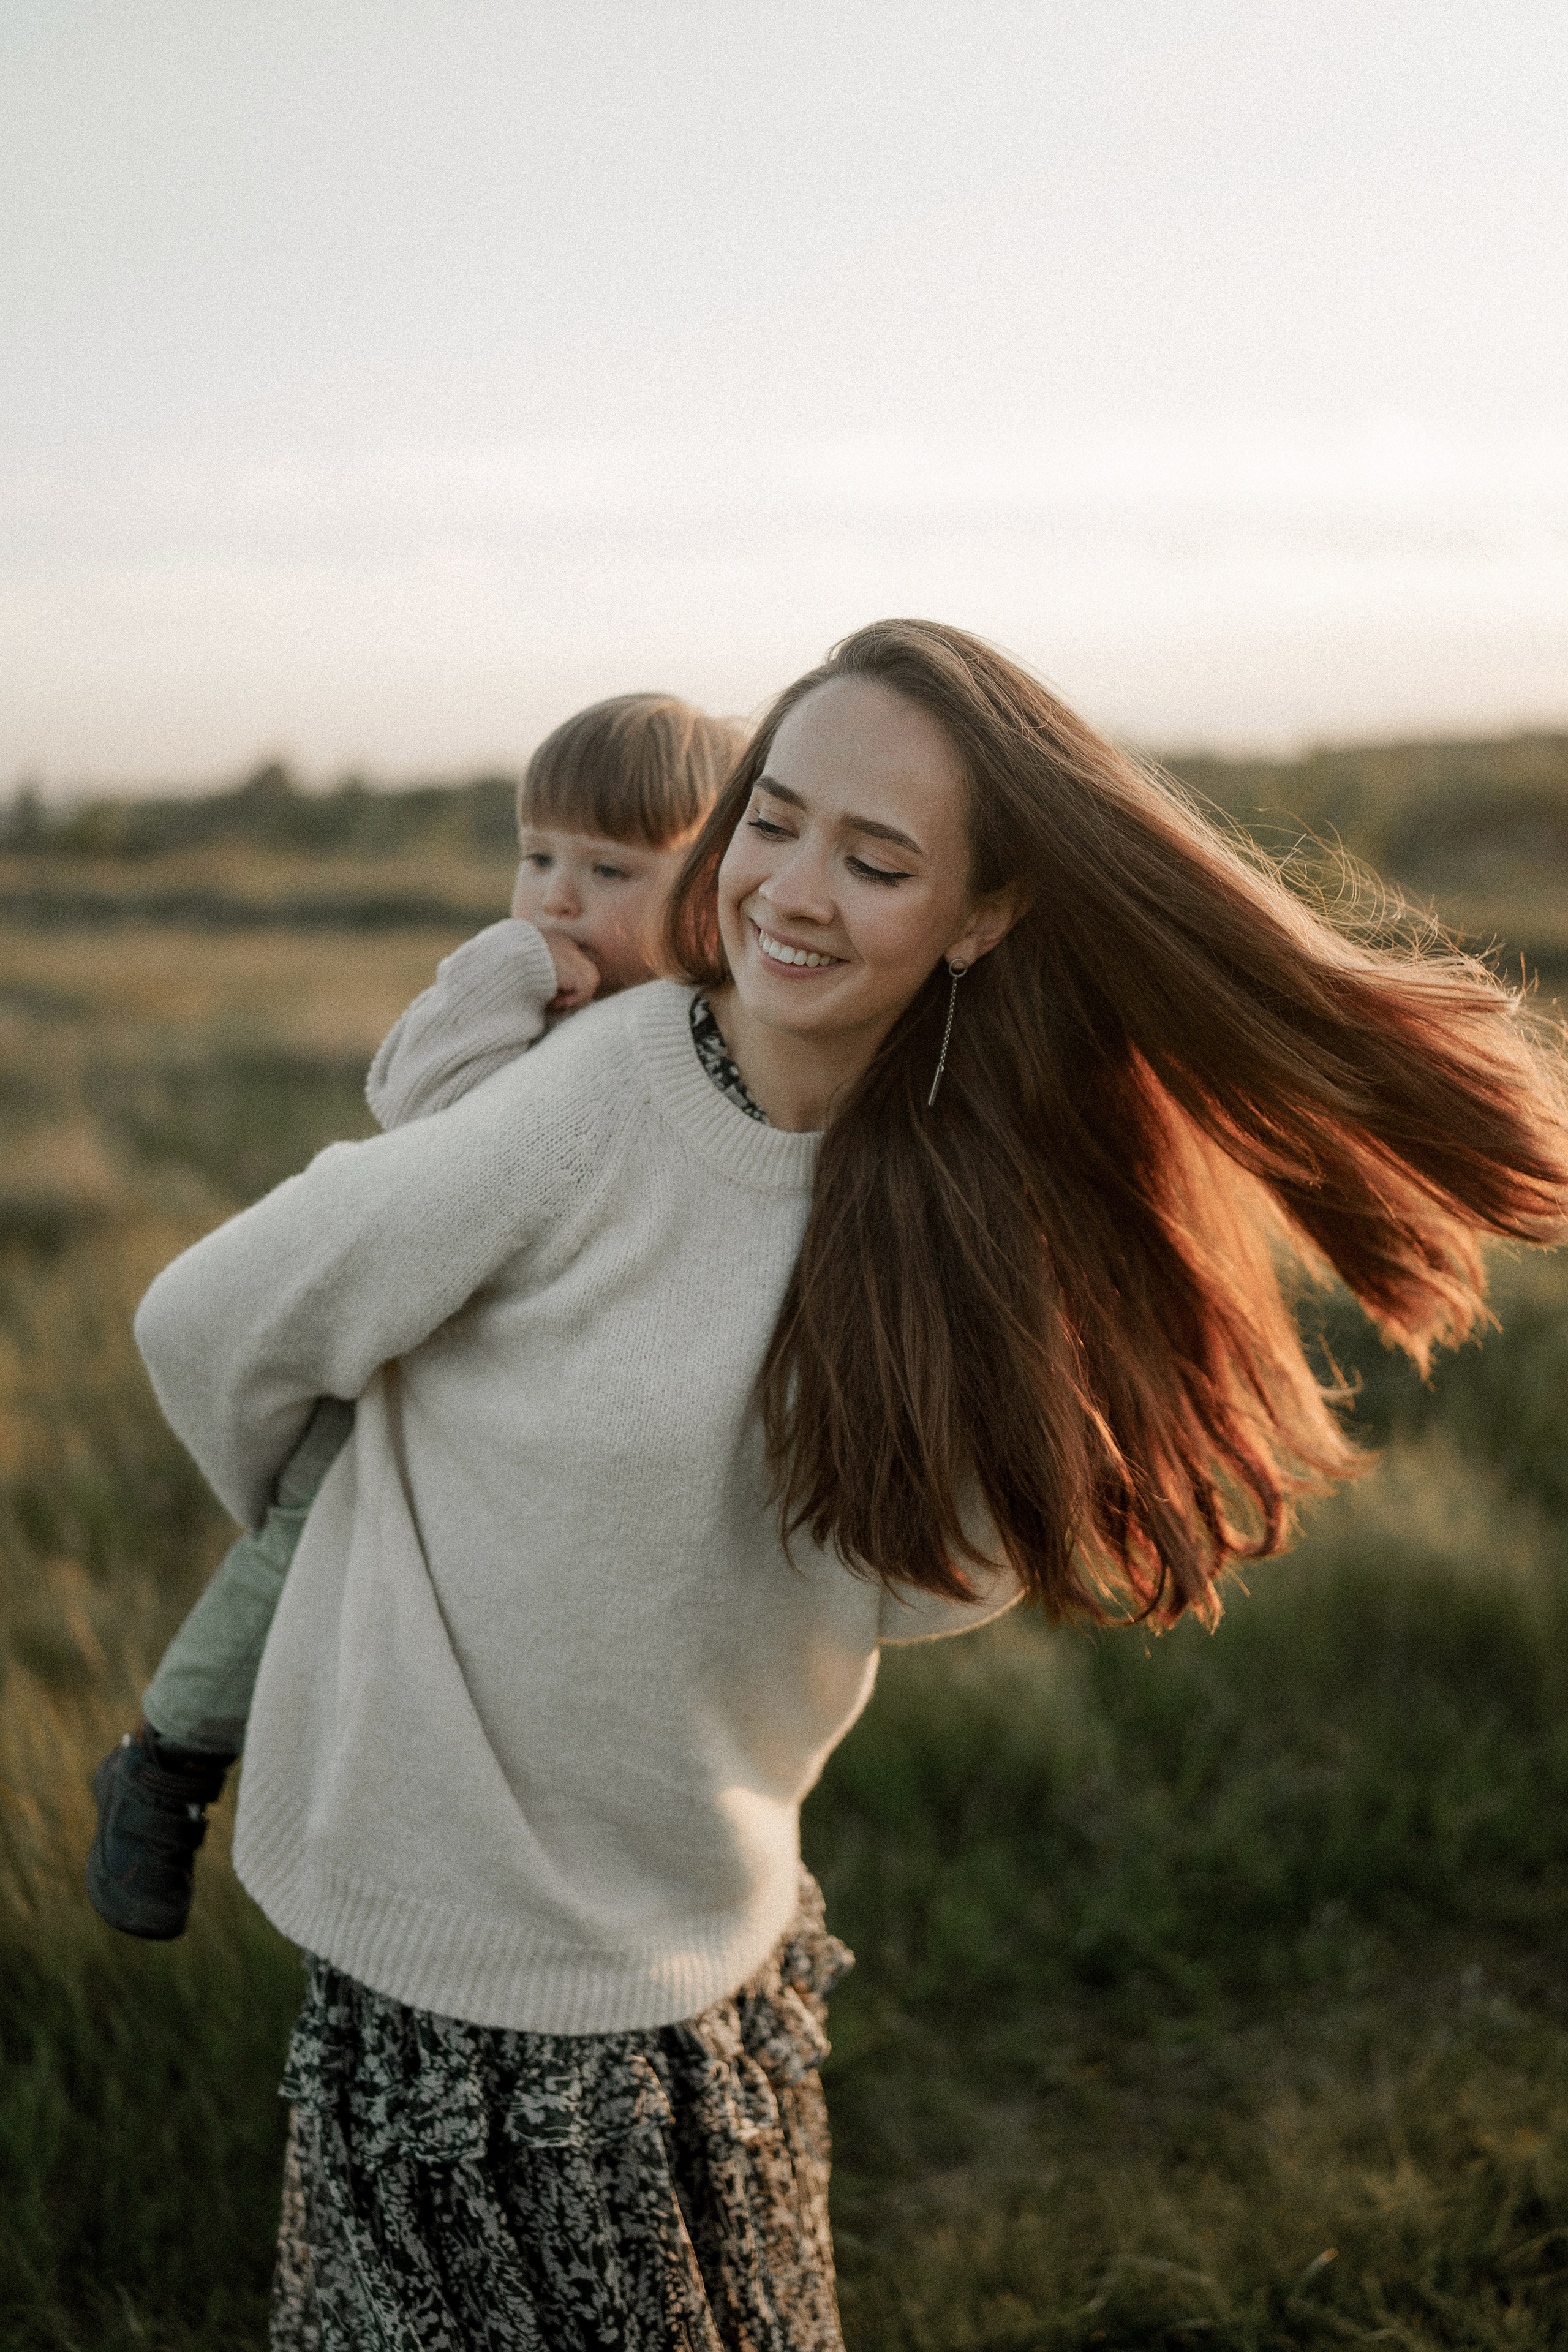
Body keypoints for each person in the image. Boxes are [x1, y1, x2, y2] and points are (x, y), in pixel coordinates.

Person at [130, 621, 1568, 2351]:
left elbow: (937, 1572)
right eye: (773, 820)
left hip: (710, 1933)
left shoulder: (961, 1189)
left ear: (981, 916)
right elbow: (210, 1320)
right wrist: (365, 1521)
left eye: (876, 859)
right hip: (451, 1945)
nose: (793, 892)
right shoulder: (595, 1097)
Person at [88, 691, 741, 1941]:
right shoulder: (525, 1008)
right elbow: (410, 1101)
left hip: (558, 1398)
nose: (554, 895)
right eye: (536, 856)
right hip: (406, 1351)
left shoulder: (705, 1037)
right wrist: (498, 976)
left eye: (608, 868)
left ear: (709, 893)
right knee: (305, 1536)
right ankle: (169, 1758)